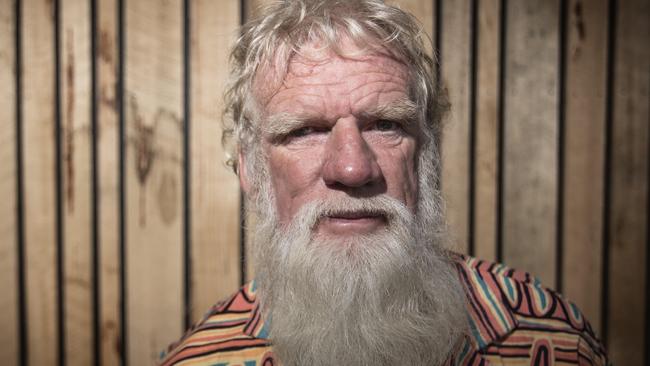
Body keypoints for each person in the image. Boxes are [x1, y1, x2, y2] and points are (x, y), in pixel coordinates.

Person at [160, 1, 607, 365]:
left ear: (425, 155)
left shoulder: (551, 342)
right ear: (251, 170)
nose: (353, 169)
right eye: (305, 131)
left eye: (386, 125)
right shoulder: (200, 359)